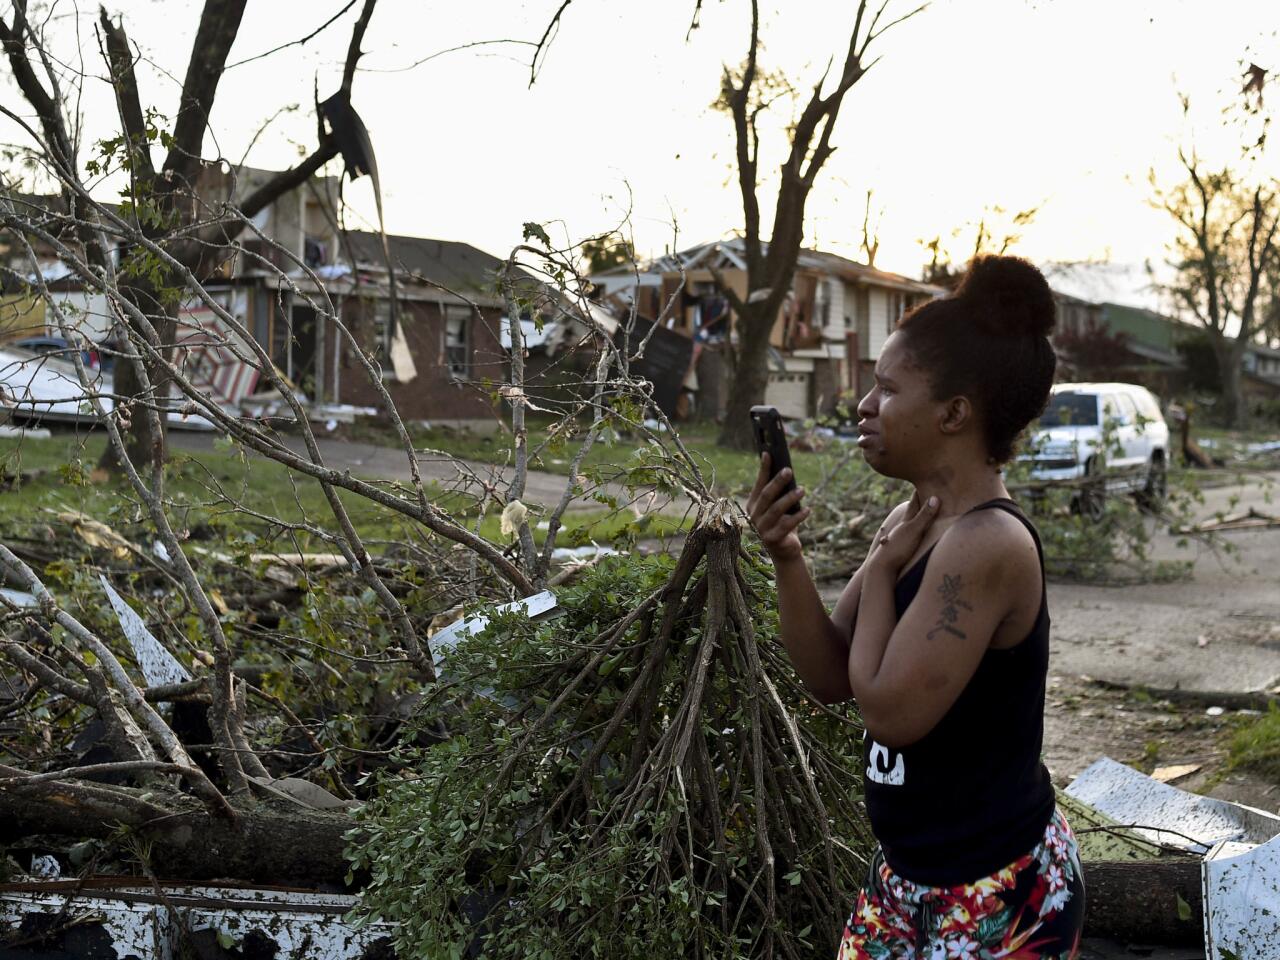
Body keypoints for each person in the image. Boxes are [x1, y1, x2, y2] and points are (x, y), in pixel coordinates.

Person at [747, 256, 1085, 959]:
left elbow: (889, 713)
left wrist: (879, 577)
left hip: (995, 891)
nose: (865, 407)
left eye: (886, 389)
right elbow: (830, 675)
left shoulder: (986, 544)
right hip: (908, 879)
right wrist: (788, 555)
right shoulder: (919, 517)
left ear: (954, 413)